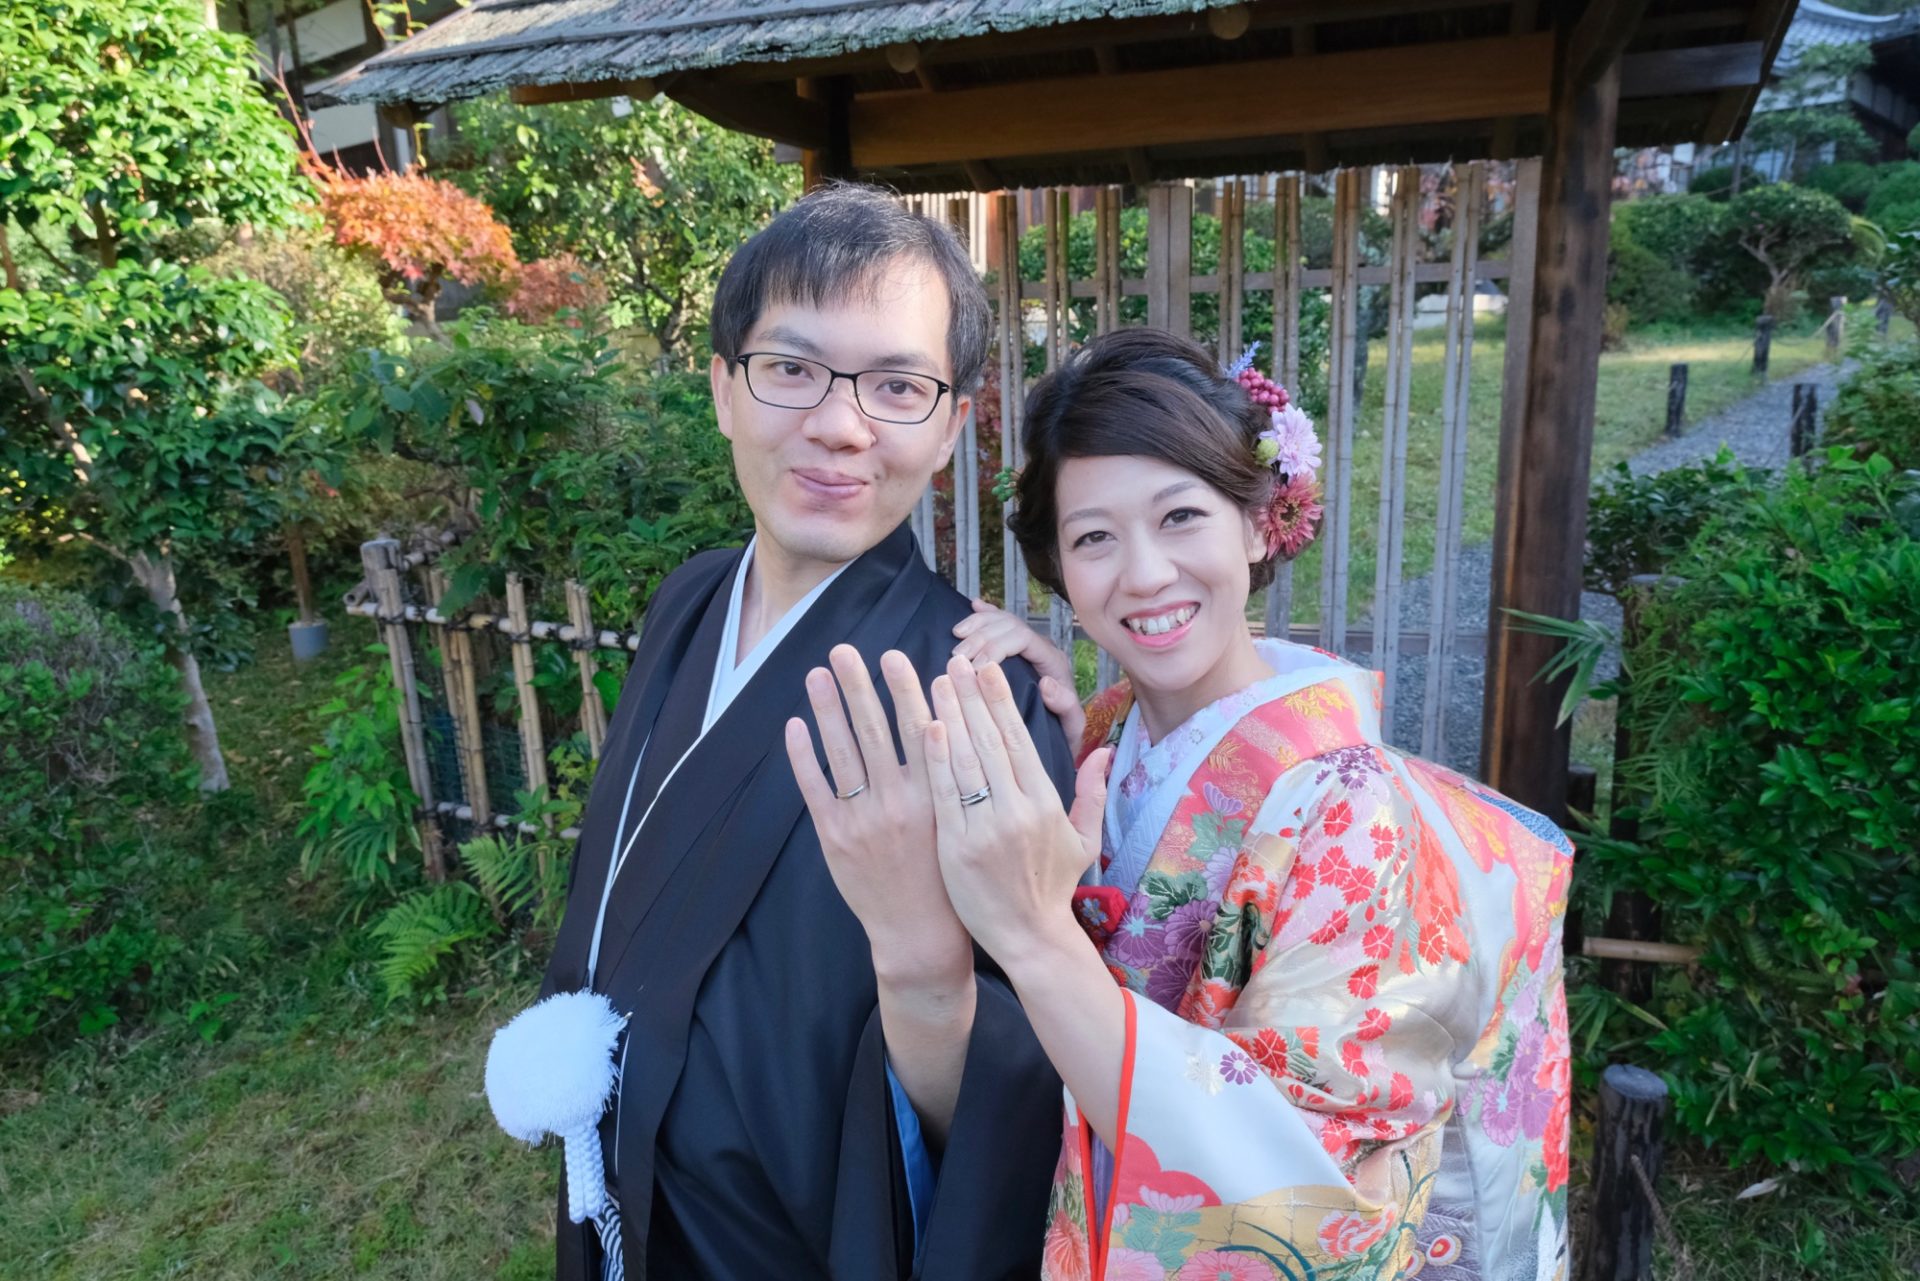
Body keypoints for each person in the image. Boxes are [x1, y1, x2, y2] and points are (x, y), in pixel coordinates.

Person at [876, 328, 1576, 1280]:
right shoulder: (1108, 734)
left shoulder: (1349, 804)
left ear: (1256, 521)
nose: (1146, 573)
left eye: (1180, 517)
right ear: (1058, 572)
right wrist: (1052, 731)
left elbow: (1304, 1173)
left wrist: (1038, 932)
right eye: (1093, 538)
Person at [520, 183, 1074, 1281]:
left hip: (798, 1247)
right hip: (626, 1192)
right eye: (791, 368)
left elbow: (1018, 1088)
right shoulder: (689, 601)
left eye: (898, 384)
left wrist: (918, 952)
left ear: (954, 420)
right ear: (724, 388)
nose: (839, 424)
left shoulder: (975, 699)